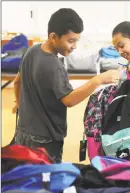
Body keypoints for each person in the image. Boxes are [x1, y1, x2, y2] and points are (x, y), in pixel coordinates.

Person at [12, 8, 120, 163]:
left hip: (22, 132)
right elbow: (68, 100)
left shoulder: (31, 51)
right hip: (45, 140)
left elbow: (17, 82)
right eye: (71, 41)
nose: (75, 46)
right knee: (47, 182)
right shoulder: (54, 66)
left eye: (76, 40)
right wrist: (98, 80)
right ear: (53, 37)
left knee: (28, 176)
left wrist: (18, 103)